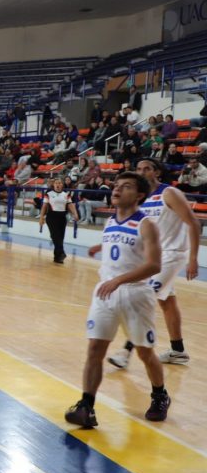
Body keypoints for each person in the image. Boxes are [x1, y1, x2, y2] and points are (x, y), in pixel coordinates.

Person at [65, 172, 170, 428]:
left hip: (135, 294)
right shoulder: (111, 220)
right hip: (105, 293)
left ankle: (160, 395)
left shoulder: (147, 224)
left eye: (126, 186)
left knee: (145, 352)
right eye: (116, 185)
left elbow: (154, 265)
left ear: (140, 195)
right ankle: (86, 406)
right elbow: (121, 247)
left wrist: (119, 280)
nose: (117, 189)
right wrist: (100, 248)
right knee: (95, 349)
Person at [108, 159, 200, 369]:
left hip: (172, 255)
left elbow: (193, 223)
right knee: (167, 302)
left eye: (147, 169)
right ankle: (178, 351)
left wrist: (193, 258)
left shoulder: (169, 193)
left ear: (156, 172)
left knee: (142, 298)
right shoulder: (140, 199)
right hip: (154, 258)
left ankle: (125, 352)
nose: (142, 172)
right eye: (139, 169)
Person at [39, 177, 79, 263]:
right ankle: (62, 253)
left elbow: (70, 205)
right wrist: (41, 217)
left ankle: (57, 258)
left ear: (62, 185)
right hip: (51, 217)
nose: (58, 184)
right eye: (56, 183)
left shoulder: (66, 194)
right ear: (53, 185)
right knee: (55, 236)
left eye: (60, 183)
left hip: (62, 217)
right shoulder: (48, 194)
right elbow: (44, 206)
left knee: (60, 238)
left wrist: (75, 213)